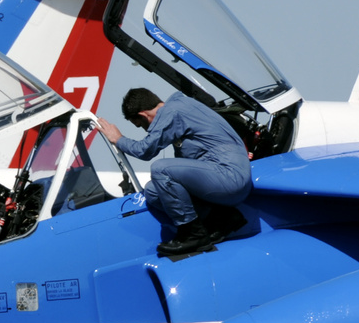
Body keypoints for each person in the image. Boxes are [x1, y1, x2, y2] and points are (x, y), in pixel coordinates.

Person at [96, 87, 252, 257]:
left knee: (160, 169)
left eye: (140, 125)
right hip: (221, 178)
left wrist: (119, 139)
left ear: (143, 115)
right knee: (153, 191)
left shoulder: (172, 111)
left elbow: (146, 150)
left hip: (230, 177)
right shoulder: (180, 108)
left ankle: (193, 236)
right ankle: (223, 218)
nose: (146, 130)